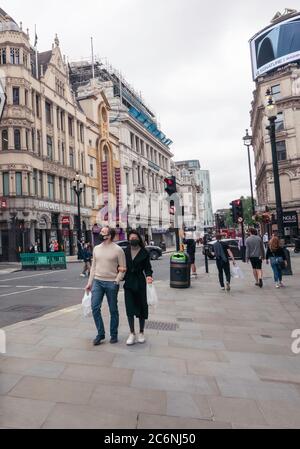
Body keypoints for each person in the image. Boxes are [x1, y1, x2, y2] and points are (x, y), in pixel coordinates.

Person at [85, 227, 127, 346]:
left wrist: (117, 280)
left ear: (109, 235)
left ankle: (114, 334)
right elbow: (93, 267)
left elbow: (123, 268)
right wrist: (89, 282)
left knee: (113, 309)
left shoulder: (118, 250)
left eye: (103, 232)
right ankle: (100, 333)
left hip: (111, 283)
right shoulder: (96, 248)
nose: (100, 233)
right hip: (98, 281)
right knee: (95, 307)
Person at [123, 231, 154, 346]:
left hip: (140, 283)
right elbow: (119, 265)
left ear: (139, 239)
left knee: (141, 308)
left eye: (135, 237)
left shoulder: (144, 252)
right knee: (129, 309)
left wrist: (149, 276)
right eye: (131, 238)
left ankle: (141, 332)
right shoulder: (124, 251)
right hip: (129, 283)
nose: (133, 239)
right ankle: (132, 333)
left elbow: (148, 268)